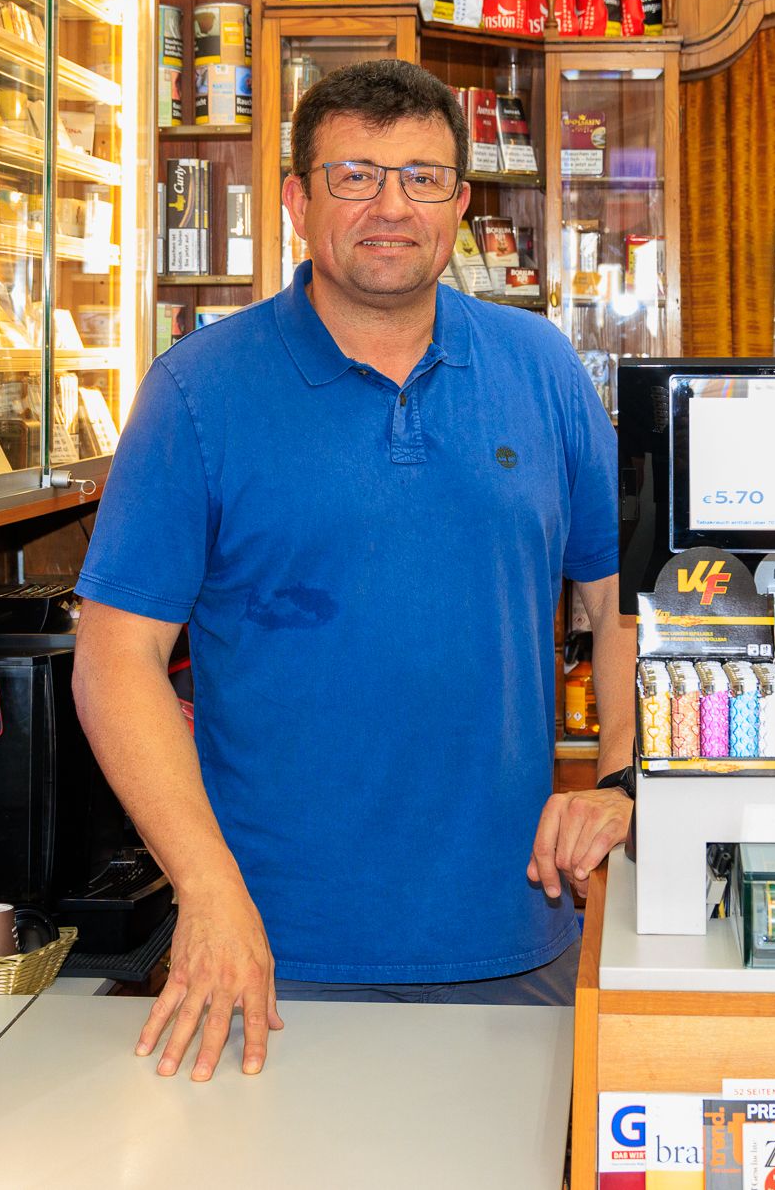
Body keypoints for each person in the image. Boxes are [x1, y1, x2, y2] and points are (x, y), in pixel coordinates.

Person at [71, 60, 632, 1084]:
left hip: (515, 932)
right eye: (354, 176)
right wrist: (205, 889)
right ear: (295, 199)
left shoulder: (540, 366)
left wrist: (624, 780)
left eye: (422, 178)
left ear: (460, 204)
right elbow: (113, 660)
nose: (390, 207)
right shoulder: (198, 389)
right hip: (271, 958)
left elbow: (615, 605)